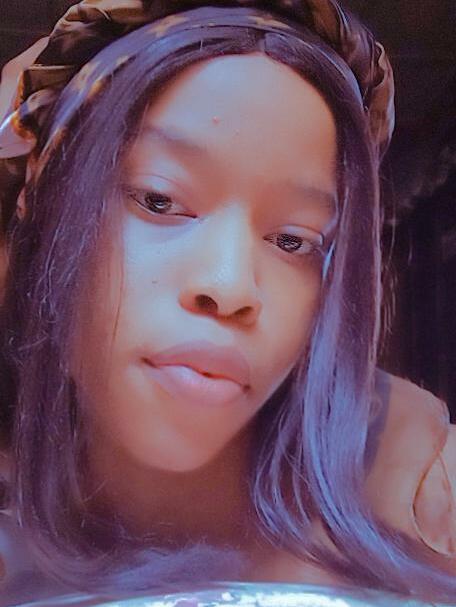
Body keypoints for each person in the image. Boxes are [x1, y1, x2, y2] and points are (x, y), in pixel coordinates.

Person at [0, 0, 455, 605]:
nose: (231, 286)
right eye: (158, 201)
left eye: (293, 241)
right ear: (45, 218)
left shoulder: (427, 497)